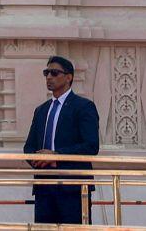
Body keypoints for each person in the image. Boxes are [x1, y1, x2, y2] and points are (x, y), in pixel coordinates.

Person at [23, 55, 100, 225]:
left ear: (68, 77)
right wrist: (38, 160)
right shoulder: (41, 110)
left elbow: (91, 146)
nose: (49, 77)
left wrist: (56, 156)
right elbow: (28, 147)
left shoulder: (83, 107)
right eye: (47, 73)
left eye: (54, 73)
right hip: (43, 186)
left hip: (73, 187)